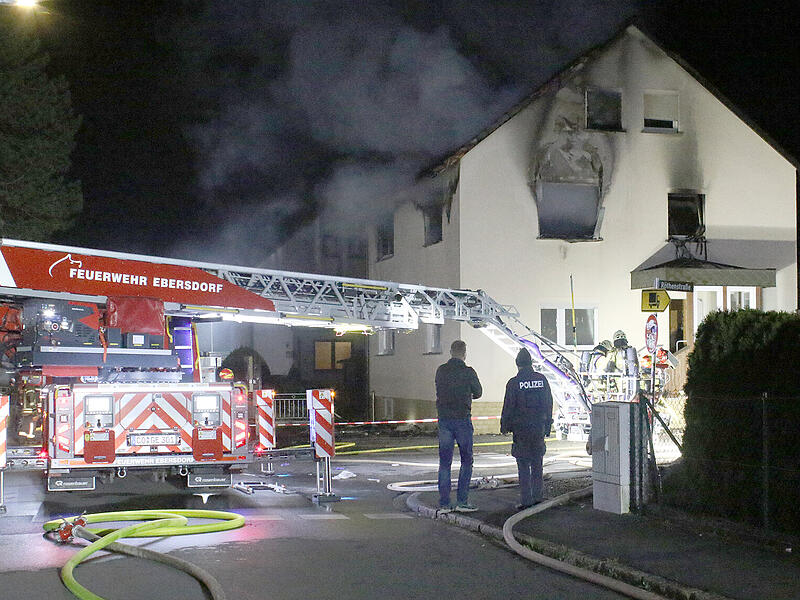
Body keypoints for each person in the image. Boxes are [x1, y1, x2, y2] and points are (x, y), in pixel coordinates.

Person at [500, 347, 554, 509]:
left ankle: (526, 500)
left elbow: (508, 406)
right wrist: (547, 426)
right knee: (537, 463)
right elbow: (548, 404)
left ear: (518, 364)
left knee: (523, 465)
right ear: (531, 363)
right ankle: (538, 497)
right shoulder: (542, 380)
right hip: (538, 428)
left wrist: (505, 426)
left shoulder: (514, 383)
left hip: (521, 430)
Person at [435, 339, 482, 513]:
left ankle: (444, 503)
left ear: (451, 352)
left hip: (445, 420)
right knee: (466, 461)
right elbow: (478, 392)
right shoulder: (468, 372)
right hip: (462, 419)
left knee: (445, 462)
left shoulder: (441, 371)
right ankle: (462, 501)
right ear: (464, 353)